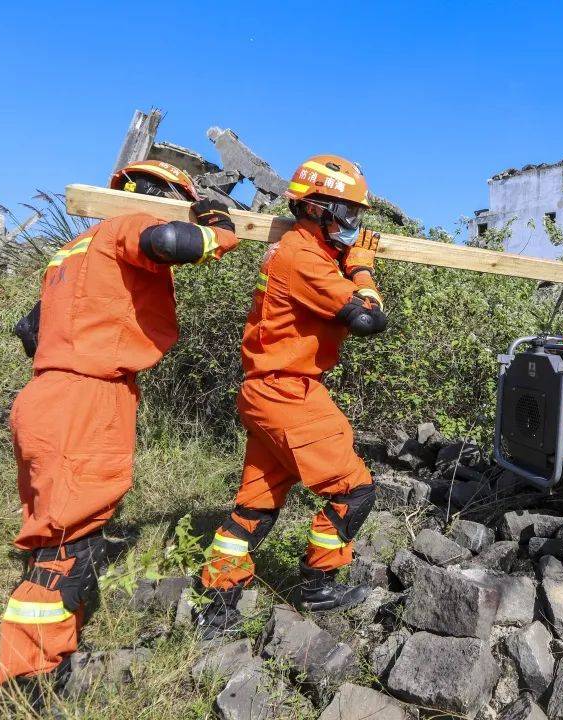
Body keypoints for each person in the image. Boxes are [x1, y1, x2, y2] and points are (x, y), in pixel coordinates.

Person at [0, 160, 239, 690]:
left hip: (48, 393)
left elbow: (28, 329)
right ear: (153, 196)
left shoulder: (72, 252)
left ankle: (47, 655)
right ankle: (26, 681)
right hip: (85, 395)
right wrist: (217, 229)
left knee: (59, 533)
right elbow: (172, 240)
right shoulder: (125, 223)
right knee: (67, 547)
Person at [196, 155, 388, 638]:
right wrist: (362, 269)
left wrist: (345, 259)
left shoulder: (305, 253)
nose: (353, 225)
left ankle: (218, 597)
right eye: (347, 213)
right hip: (287, 391)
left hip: (269, 389)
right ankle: (318, 585)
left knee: (256, 502)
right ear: (316, 209)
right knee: (353, 490)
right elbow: (368, 319)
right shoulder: (302, 258)